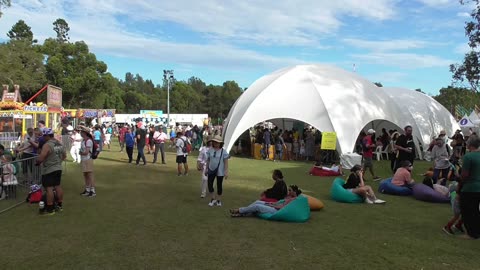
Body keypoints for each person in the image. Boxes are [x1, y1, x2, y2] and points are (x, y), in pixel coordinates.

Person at [35, 128, 66, 215]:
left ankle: (50, 208)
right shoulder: (59, 143)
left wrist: (37, 161)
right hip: (58, 168)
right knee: (58, 186)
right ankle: (59, 205)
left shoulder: (47, 145)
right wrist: (58, 162)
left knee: (49, 189)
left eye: (44, 136)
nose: (44, 138)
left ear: (47, 136)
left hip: (49, 169)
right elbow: (64, 155)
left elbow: (41, 157)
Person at [229, 185, 302, 217]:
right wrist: (272, 203)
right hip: (274, 205)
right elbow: (280, 202)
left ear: (294, 192)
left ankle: (239, 211)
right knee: (258, 202)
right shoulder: (288, 197)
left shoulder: (293, 200)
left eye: (290, 190)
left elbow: (283, 208)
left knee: (257, 206)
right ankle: (243, 212)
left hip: (275, 210)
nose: (288, 191)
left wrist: (272, 205)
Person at [458, 136, 480, 239]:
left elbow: (464, 175)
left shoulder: (468, 156)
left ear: (469, 145)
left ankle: (471, 233)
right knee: (476, 210)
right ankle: (477, 231)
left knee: (467, 211)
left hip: (470, 188)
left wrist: (459, 181)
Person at [205, 135, 229, 207]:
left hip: (220, 171)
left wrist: (226, 171)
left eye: (217, 142)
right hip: (211, 169)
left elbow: (226, 162)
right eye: (214, 142)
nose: (216, 144)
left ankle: (218, 200)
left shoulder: (223, 151)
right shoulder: (210, 150)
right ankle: (213, 198)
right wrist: (206, 168)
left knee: (219, 185)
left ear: (220, 143)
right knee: (209, 184)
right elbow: (208, 160)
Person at [78, 126, 96, 197]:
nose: (80, 133)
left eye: (81, 132)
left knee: (89, 175)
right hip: (84, 159)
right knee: (85, 175)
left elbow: (86, 152)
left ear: (84, 133)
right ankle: (87, 189)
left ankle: (93, 190)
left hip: (87, 159)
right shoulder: (83, 140)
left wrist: (80, 153)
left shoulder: (88, 141)